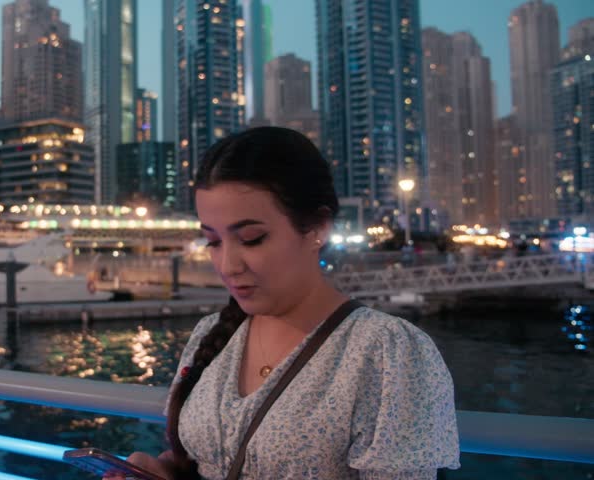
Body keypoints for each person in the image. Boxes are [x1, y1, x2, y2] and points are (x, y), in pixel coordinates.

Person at [119, 127, 459, 479]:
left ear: (317, 228)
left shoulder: (388, 352)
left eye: (252, 239)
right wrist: (162, 472)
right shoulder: (213, 333)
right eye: (213, 241)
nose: (227, 265)